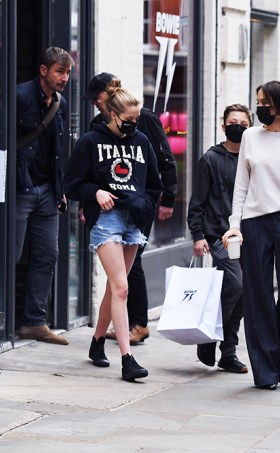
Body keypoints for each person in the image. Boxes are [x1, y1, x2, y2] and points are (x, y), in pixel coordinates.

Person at [63, 81, 162, 381]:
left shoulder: (142, 142)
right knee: (122, 287)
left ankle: (96, 344)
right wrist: (96, 193)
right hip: (106, 220)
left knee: (114, 287)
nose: (134, 125)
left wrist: (144, 207)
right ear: (112, 114)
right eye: (129, 120)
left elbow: (154, 184)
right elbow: (72, 184)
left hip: (134, 221)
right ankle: (127, 359)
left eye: (137, 120)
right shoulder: (90, 142)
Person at [221, 81, 280, 390]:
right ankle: (265, 371)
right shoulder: (250, 136)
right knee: (258, 297)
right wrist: (235, 223)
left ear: (279, 105)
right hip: (255, 223)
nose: (260, 107)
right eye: (258, 101)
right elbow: (242, 185)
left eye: (264, 102)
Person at [84, 72, 178, 344]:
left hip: (137, 205)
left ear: (107, 96)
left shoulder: (143, 119)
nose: (95, 103)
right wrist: (91, 198)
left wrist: (164, 199)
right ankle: (109, 333)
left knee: (129, 267)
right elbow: (89, 170)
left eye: (96, 98)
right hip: (107, 207)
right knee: (118, 279)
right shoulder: (96, 127)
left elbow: (165, 159)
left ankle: (138, 323)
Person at [15, 47, 73, 345]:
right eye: (59, 72)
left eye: (67, 73)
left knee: (47, 255)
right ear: (43, 70)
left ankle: (34, 322)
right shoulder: (21, 96)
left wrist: (59, 191)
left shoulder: (60, 104)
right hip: (21, 189)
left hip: (48, 193)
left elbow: (57, 152)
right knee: (11, 253)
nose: (64, 78)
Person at [187, 104, 251, 374]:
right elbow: (197, 200)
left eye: (244, 123)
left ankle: (228, 352)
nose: (238, 126)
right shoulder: (210, 159)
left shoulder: (254, 159)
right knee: (234, 285)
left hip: (250, 236)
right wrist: (198, 234)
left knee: (246, 293)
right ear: (223, 126)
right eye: (233, 122)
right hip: (219, 237)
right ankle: (208, 336)